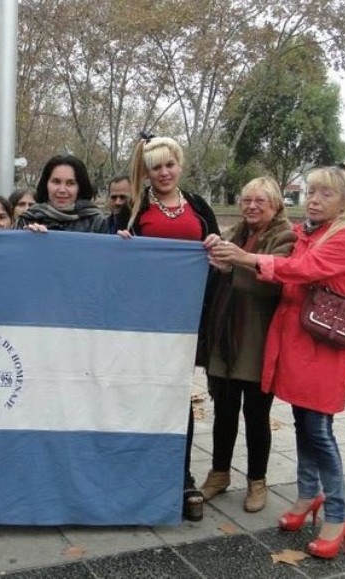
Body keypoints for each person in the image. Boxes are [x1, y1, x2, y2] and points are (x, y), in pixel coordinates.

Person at [206, 163, 345, 559]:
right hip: (300, 345)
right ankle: (308, 497)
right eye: (312, 192)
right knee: (305, 425)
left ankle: (338, 514)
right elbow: (289, 273)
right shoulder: (311, 231)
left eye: (325, 194)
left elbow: (303, 271)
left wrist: (247, 259)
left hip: (324, 349)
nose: (314, 199)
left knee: (320, 430)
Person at [117, 135, 220, 521]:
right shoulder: (134, 207)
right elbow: (110, 258)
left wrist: (213, 247)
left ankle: (182, 476)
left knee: (178, 396)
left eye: (169, 165)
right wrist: (122, 242)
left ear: (179, 165)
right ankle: (137, 471)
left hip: (186, 321)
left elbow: (219, 256)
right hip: (141, 322)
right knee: (138, 393)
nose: (163, 172)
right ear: (147, 172)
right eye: (155, 167)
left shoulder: (198, 206)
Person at [198, 177, 296, 513]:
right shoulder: (233, 232)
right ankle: (219, 473)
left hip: (259, 339)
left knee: (256, 414)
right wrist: (214, 261)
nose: (252, 206)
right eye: (246, 199)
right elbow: (217, 270)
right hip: (224, 337)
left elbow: (278, 282)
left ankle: (257, 481)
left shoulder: (286, 237)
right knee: (223, 411)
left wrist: (237, 262)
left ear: (276, 205)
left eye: (260, 201)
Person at [17, 155, 106, 233]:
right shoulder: (29, 219)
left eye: (70, 183)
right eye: (56, 182)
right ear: (46, 184)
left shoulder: (96, 222)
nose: (62, 190)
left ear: (80, 186)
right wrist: (27, 239)